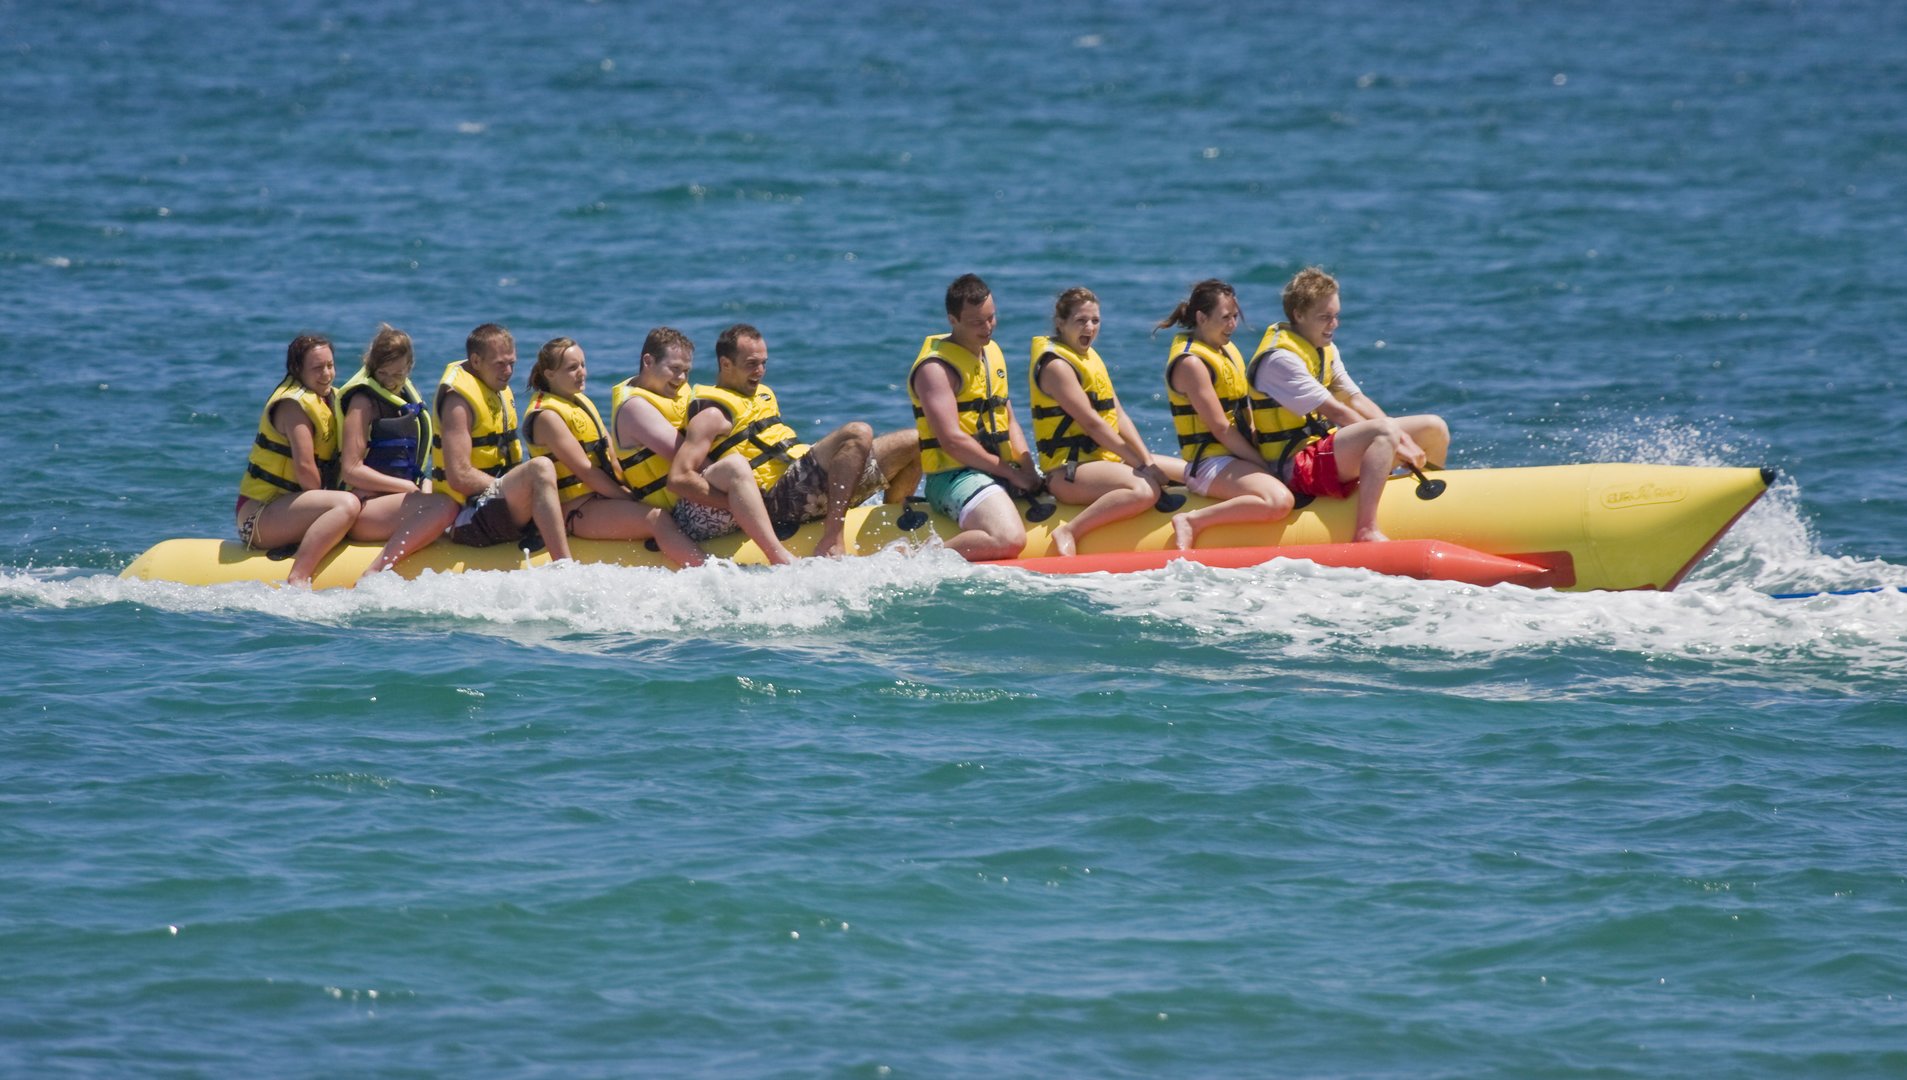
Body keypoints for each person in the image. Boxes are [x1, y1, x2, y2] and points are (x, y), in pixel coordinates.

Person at [673, 323, 919, 558]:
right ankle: (833, 534)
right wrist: (736, 504)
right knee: (858, 432)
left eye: (763, 363)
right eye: (751, 364)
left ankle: (897, 521)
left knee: (916, 440)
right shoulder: (712, 414)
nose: (760, 371)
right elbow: (680, 477)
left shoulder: (762, 394)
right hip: (778, 498)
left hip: (802, 480)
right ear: (726, 364)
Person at [1247, 267, 1451, 542]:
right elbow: (1337, 411)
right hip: (1293, 466)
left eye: (1336, 316)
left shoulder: (1322, 347)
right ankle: (1366, 529)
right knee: (1383, 433)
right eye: (1325, 317)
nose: (1334, 324)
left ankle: (1426, 510)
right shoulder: (1280, 359)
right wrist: (1397, 441)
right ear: (1298, 315)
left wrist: (1402, 437)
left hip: (1323, 450)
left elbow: (1356, 399)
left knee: (1433, 427)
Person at [610, 327, 796, 566]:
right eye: (675, 369)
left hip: (703, 497)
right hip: (683, 511)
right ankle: (779, 557)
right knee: (735, 467)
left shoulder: (671, 392)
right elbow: (689, 462)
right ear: (648, 361)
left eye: (686, 371)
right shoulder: (635, 408)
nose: (681, 378)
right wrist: (744, 497)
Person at [1031, 287, 1188, 556]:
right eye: (1081, 321)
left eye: (1095, 321)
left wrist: (1146, 460)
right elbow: (1093, 424)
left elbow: (1119, 416)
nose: (1089, 328)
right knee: (1143, 490)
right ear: (1060, 323)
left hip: (1102, 461)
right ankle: (1070, 530)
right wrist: (1141, 467)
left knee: (1190, 472)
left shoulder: (1089, 358)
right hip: (1068, 471)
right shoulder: (1056, 366)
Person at [521, 337, 703, 567]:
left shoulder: (580, 402)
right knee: (657, 519)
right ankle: (707, 571)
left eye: (583, 365)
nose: (582, 373)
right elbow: (587, 472)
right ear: (549, 374)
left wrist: (635, 492)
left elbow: (611, 456)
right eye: (572, 368)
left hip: (601, 499)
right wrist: (629, 499)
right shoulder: (547, 417)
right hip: (578, 509)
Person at [908, 274, 1045, 561]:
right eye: (976, 322)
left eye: (991, 318)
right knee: (1009, 539)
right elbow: (952, 441)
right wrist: (1010, 473)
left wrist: (1026, 467)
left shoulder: (990, 352)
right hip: (953, 476)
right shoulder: (935, 369)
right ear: (952, 320)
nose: (987, 328)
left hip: (995, 468)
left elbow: (1007, 416)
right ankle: (915, 559)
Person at [1159, 279, 1295, 549]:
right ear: (1201, 317)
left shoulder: (1225, 350)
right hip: (1211, 464)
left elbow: (1245, 410)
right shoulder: (1191, 364)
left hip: (1236, 455)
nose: (1233, 324)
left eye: (1235, 316)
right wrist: (1262, 464)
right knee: (1278, 500)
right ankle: (1193, 521)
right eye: (1225, 317)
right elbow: (1220, 428)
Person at [430, 323, 570, 560]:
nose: (508, 371)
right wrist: (512, 486)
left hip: (497, 505)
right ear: (476, 361)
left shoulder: (496, 388)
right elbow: (458, 476)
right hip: (470, 516)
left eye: (512, 363)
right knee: (540, 468)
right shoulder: (458, 403)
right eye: (500, 364)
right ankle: (564, 565)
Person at [233, 334, 362, 586]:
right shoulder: (293, 406)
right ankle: (298, 576)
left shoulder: (333, 399)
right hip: (259, 517)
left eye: (330, 365)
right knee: (346, 505)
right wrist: (326, 505)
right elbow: (304, 469)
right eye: (317, 368)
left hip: (293, 508)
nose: (326, 374)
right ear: (297, 370)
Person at [335, 324, 459, 578]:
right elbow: (351, 470)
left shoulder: (405, 396)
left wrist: (422, 484)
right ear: (372, 367)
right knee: (444, 506)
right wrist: (407, 488)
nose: (391, 381)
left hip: (396, 501)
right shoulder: (362, 402)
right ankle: (376, 571)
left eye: (399, 373)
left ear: (410, 366)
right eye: (384, 373)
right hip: (365, 508)